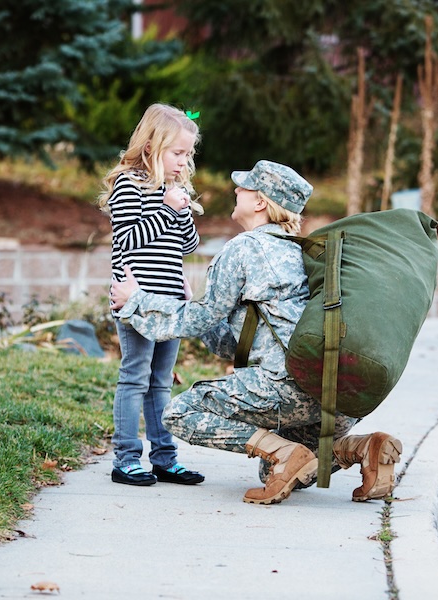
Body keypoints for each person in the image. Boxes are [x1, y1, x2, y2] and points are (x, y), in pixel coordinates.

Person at [110, 160, 402, 504]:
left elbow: (195, 320)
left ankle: (283, 451)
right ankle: (361, 447)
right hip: (335, 393)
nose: (236, 190)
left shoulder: (242, 249)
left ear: (260, 202)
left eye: (244, 187)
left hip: (284, 387)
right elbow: (230, 343)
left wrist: (136, 300)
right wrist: (200, 308)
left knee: (178, 412)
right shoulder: (304, 250)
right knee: (278, 472)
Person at [97, 103, 205, 487]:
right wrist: (163, 209)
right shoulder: (130, 184)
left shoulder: (172, 191)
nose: (183, 161)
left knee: (161, 382)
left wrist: (181, 210)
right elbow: (126, 242)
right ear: (151, 147)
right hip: (136, 301)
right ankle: (126, 459)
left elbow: (187, 245)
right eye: (177, 152)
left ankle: (164, 458)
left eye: (187, 154)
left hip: (170, 304)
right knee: (135, 378)